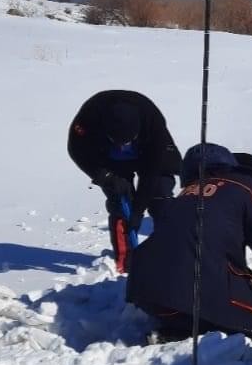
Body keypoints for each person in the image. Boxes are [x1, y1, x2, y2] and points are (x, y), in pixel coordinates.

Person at [126, 143, 252, 340]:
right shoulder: (245, 186)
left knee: (197, 312)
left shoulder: (181, 197)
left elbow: (201, 253)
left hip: (145, 293)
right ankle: (182, 332)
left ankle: (177, 331)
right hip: (193, 292)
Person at [67, 90, 182, 273]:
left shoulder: (153, 122)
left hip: (149, 153)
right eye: (118, 142)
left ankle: (172, 256)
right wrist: (106, 177)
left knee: (160, 196)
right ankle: (127, 263)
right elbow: (77, 150)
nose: (123, 147)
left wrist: (138, 210)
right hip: (109, 158)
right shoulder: (89, 118)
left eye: (127, 142)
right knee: (121, 204)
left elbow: (152, 171)